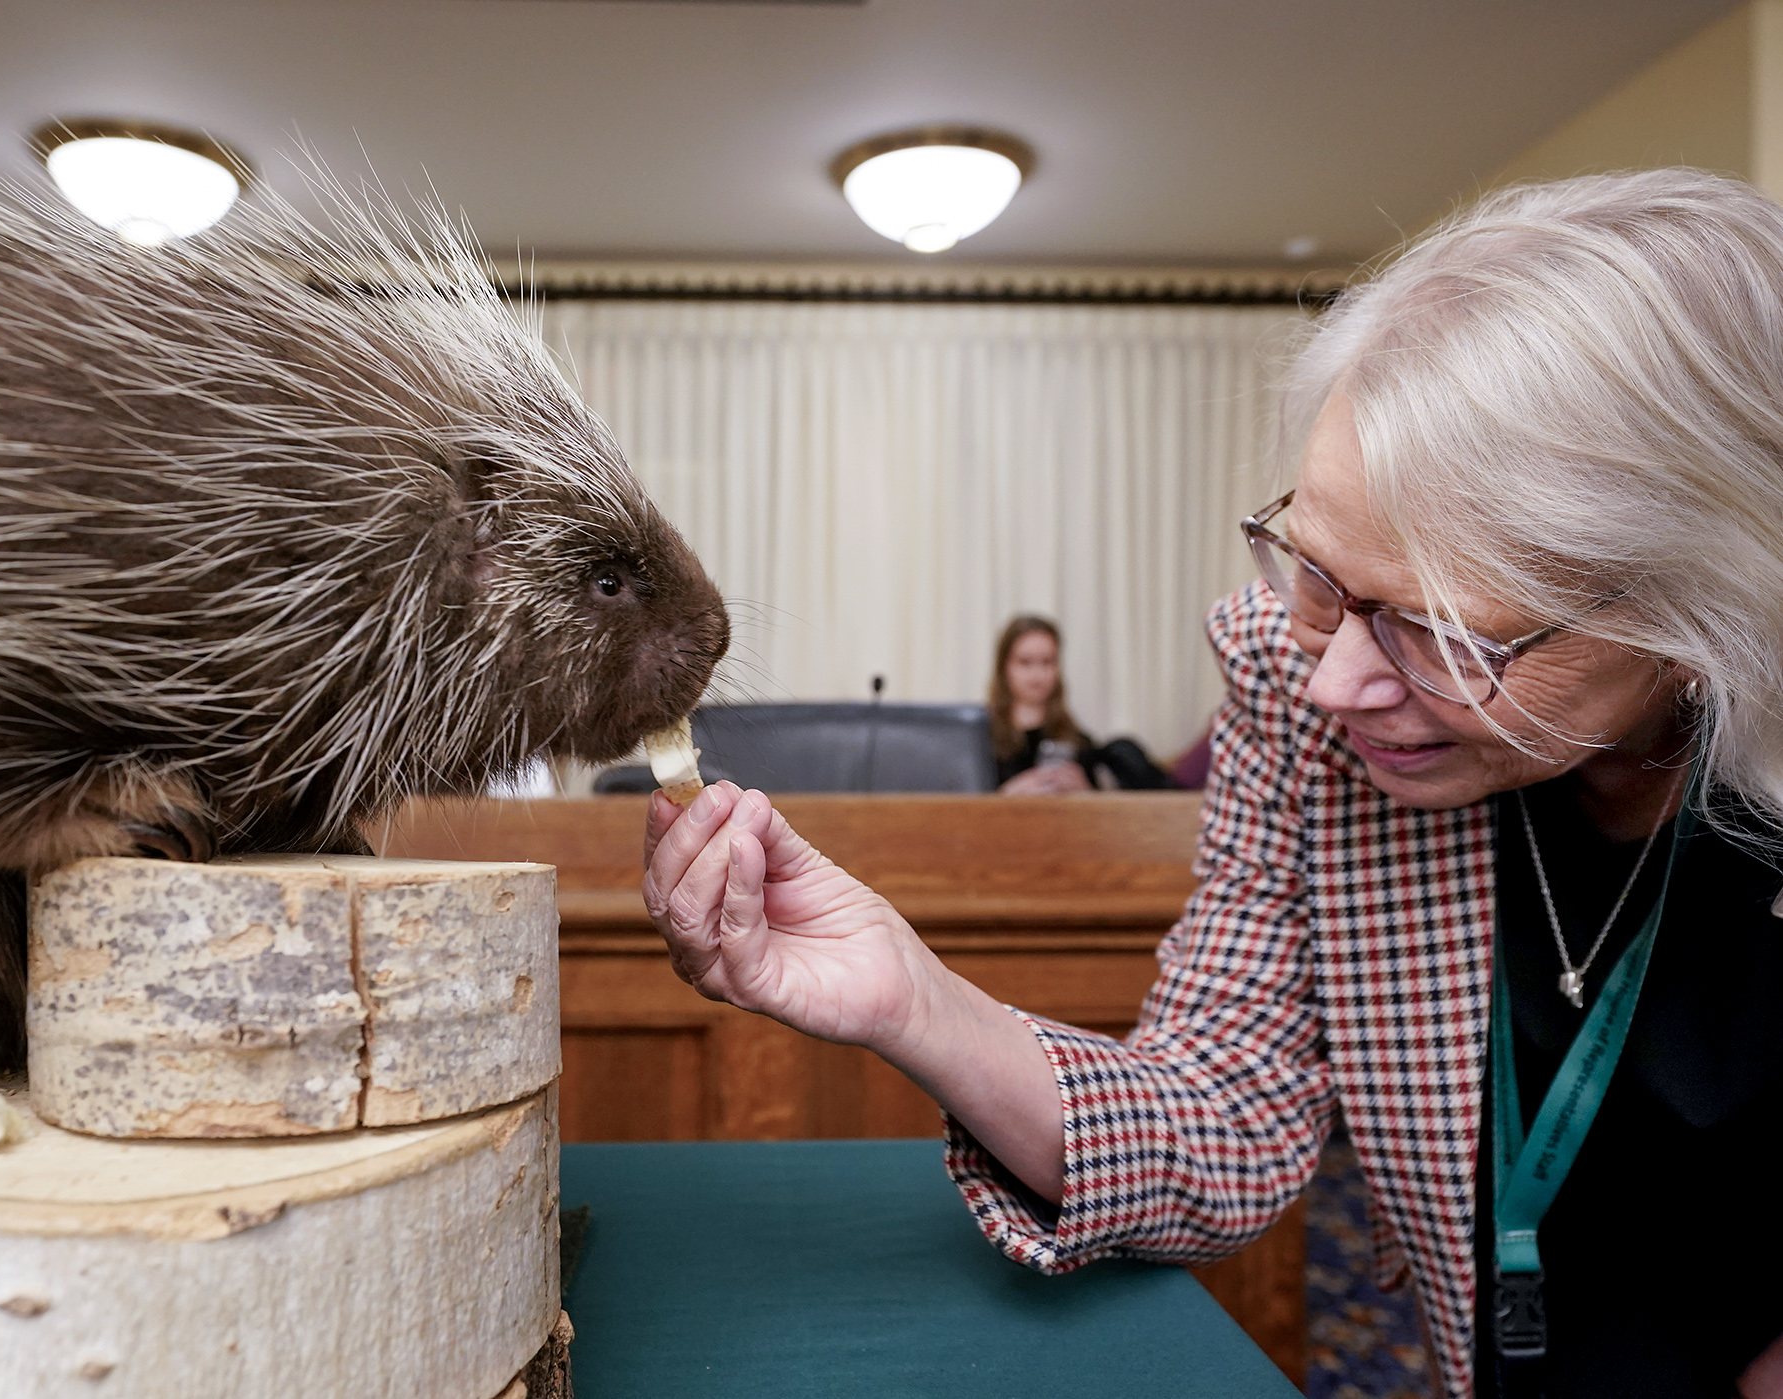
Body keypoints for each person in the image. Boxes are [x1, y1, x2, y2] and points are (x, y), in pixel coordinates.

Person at [640, 169, 1783, 1399]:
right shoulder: (1302, 687)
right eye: (1316, 573)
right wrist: (913, 999)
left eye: (1441, 633)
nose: (1338, 680)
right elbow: (1224, 1113)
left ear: (1698, 609)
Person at [987, 615, 1095, 793]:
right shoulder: (981, 741)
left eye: (1047, 662)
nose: (1037, 675)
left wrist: (1083, 791)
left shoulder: (1078, 742)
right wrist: (1006, 796)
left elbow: (1101, 814)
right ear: (1004, 668)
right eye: (1025, 662)